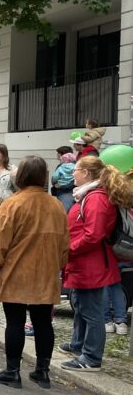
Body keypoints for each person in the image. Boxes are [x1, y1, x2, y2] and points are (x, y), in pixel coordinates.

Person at [0, 155, 70, 387]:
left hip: (17, 272)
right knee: (43, 323)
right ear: (43, 177)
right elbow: (64, 245)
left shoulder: (12, 204)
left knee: (15, 321)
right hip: (46, 273)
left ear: (20, 176)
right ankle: (42, 371)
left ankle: (13, 371)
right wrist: (58, 266)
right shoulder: (56, 205)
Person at [59, 156, 133, 372]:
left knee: (91, 311)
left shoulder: (96, 198)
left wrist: (68, 249)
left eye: (76, 169)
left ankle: (91, 358)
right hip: (87, 262)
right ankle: (78, 345)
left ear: (87, 174)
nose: (73, 173)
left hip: (91, 264)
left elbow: (93, 235)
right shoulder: (90, 195)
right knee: (81, 304)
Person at [51, 148, 76, 212]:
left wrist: (54, 183)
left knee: (62, 209)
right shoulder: (75, 166)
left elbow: (55, 177)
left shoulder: (61, 167)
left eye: (58, 153)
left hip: (62, 191)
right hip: (72, 192)